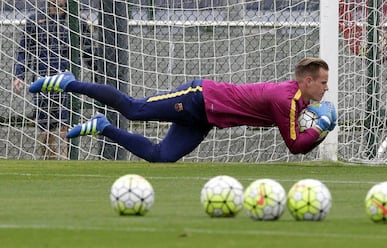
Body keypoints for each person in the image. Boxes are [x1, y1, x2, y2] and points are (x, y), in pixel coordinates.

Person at [29, 57, 337, 162]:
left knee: (161, 157)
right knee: (134, 109)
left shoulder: (300, 99)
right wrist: (321, 128)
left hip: (206, 118)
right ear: (307, 81)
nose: (326, 87)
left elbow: (299, 138)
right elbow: (296, 145)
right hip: (198, 98)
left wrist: (320, 126)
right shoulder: (286, 100)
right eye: (322, 82)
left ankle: (103, 127)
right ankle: (69, 83)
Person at [13, 0, 92, 159]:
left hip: (68, 80)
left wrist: (97, 73)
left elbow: (88, 52)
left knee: (65, 123)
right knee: (45, 127)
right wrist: (19, 75)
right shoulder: (36, 19)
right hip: (43, 80)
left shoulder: (77, 21)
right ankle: (49, 159)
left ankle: (64, 158)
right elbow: (24, 51)